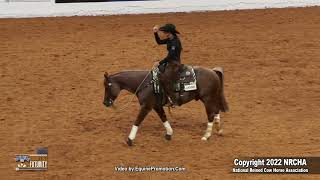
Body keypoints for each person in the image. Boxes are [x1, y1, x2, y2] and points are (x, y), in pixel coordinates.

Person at [153, 24, 182, 106]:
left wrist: (159, 62)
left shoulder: (175, 42)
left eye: (165, 32)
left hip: (175, 63)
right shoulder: (170, 39)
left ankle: (172, 101)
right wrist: (155, 33)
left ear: (169, 33)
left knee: (166, 80)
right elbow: (159, 42)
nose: (164, 33)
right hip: (170, 62)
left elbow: (170, 56)